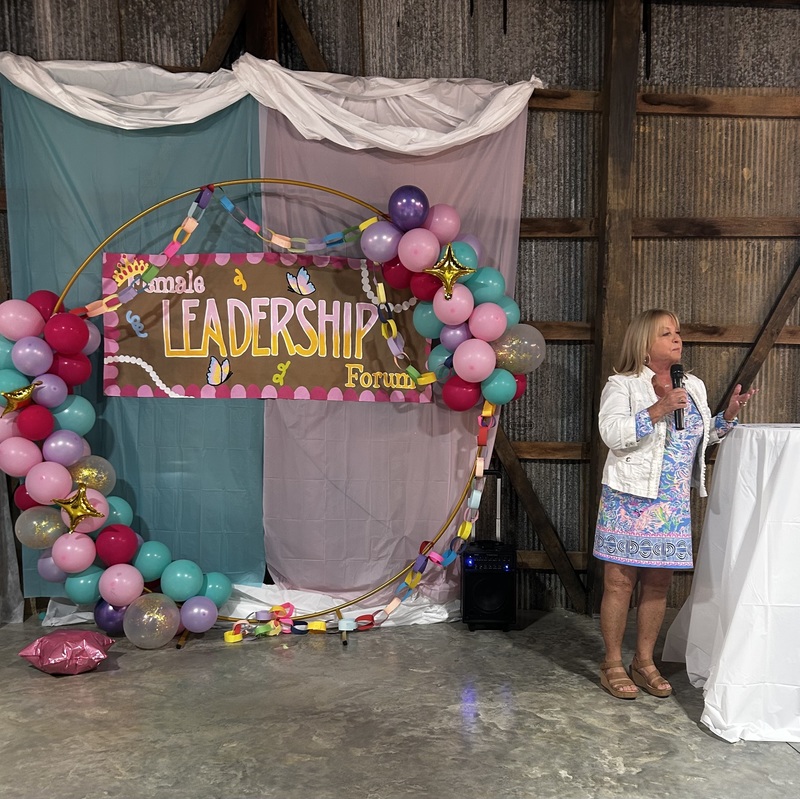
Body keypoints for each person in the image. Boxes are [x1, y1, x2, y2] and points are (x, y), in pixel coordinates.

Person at [594, 309, 758, 699]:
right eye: (665, 333)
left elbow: (697, 439)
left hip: (671, 504)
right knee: (619, 582)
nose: (676, 338)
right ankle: (613, 663)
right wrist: (657, 409)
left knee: (658, 582)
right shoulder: (623, 385)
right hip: (629, 499)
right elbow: (612, 435)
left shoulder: (693, 385)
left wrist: (726, 419)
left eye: (677, 332)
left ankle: (644, 661)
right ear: (644, 345)